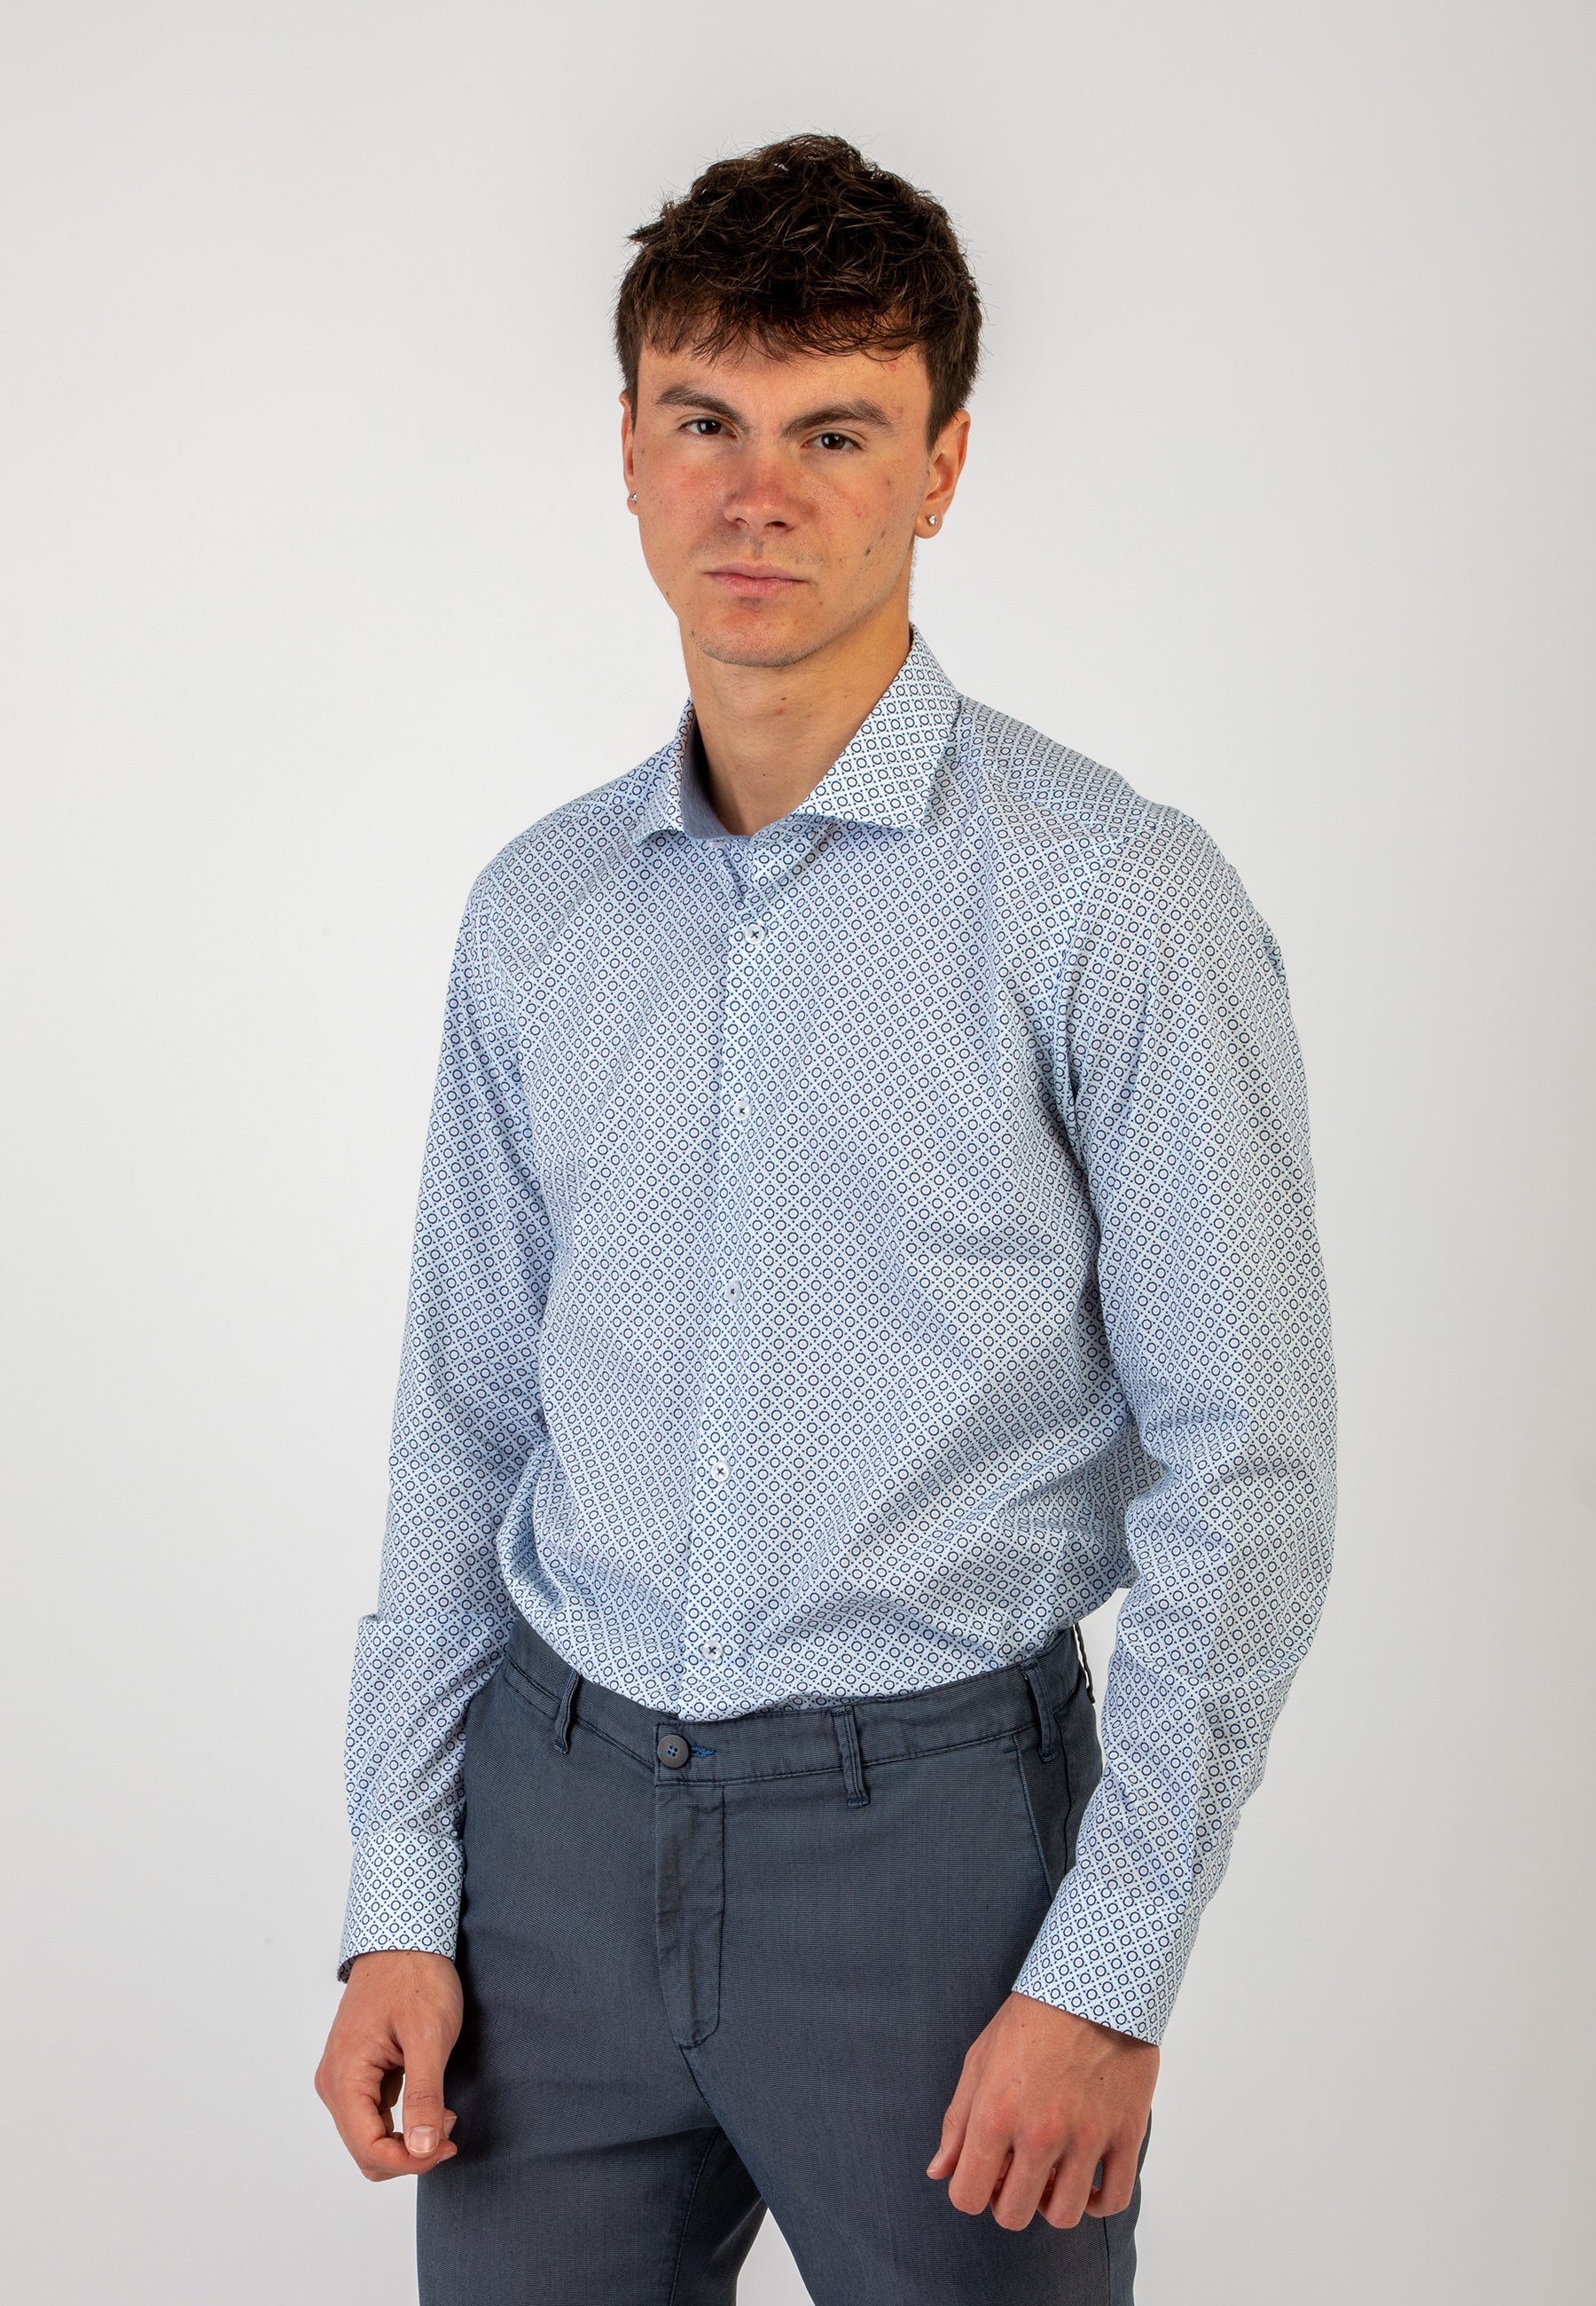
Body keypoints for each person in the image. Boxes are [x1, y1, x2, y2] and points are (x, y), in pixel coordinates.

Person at [313, 132, 1336, 2304]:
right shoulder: (537, 913)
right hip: (549, 1846)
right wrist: (402, 1887)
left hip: (936, 1865)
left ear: (943, 465)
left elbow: (1248, 1471)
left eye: (836, 432)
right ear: (628, 447)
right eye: (706, 421)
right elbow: (461, 1431)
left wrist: (1111, 1965)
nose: (757, 495)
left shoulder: (1109, 900)